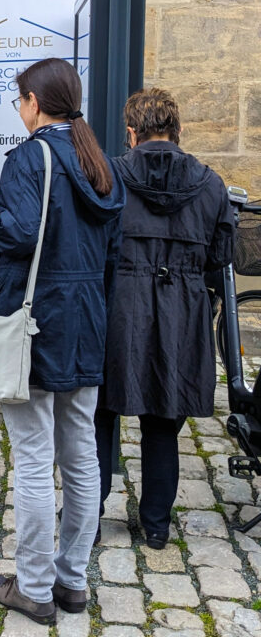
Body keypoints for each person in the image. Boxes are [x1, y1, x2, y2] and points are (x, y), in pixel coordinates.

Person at [0, 57, 125, 626]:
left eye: (20, 101)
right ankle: (72, 580)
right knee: (82, 455)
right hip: (86, 319)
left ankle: (34, 588)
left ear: (35, 102)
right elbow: (111, 252)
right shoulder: (99, 163)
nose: (19, 111)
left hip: (35, 324)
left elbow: (14, 234)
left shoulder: (29, 158)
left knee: (35, 459)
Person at [95, 89, 234, 550]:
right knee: (163, 419)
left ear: (131, 133)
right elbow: (221, 256)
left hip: (120, 307)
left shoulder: (111, 176)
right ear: (177, 131)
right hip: (182, 310)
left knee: (100, 415)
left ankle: (89, 518)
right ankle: (155, 525)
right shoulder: (211, 184)